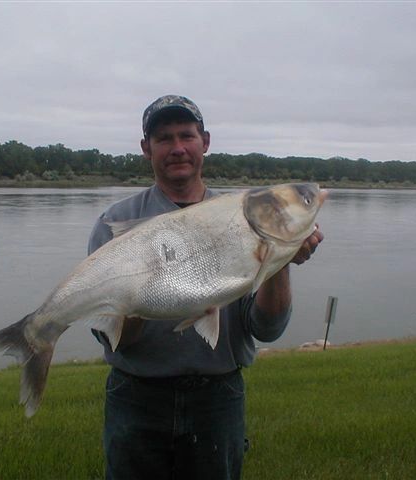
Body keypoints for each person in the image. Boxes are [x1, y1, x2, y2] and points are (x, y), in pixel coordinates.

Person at [88, 95, 324, 480]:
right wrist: (131, 299)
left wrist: (277, 258)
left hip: (218, 400)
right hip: (136, 399)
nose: (178, 147)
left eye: (187, 135)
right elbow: (114, 340)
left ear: (206, 141)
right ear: (146, 148)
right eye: (164, 138)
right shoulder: (114, 223)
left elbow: (266, 329)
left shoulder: (243, 217)